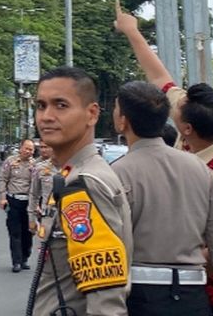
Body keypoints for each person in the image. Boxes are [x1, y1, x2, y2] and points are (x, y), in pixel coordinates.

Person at [115, 2, 213, 313]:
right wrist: (131, 31)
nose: (171, 101)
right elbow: (159, 77)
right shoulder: (204, 124)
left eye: (175, 107)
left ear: (186, 129)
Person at [112, 81, 213, 316]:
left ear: (123, 121)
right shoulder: (199, 169)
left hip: (140, 296)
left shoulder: (117, 173)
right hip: (193, 295)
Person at [29, 67, 132, 316]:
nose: (46, 116)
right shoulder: (70, 176)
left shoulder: (85, 184)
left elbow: (105, 299)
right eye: (41, 106)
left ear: (92, 114)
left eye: (61, 105)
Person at [0, 137, 36, 272]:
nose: (29, 151)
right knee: (15, 232)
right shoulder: (10, 162)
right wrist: (2, 198)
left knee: (28, 233)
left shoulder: (35, 165)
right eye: (26, 148)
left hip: (29, 203)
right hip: (13, 201)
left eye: (31, 149)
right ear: (21, 148)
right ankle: (16, 261)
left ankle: (25, 258)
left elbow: (38, 186)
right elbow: (3, 179)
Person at [28, 143, 56, 235]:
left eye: (47, 147)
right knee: (46, 246)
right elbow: (34, 194)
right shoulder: (40, 167)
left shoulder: (73, 167)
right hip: (48, 217)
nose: (44, 150)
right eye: (42, 147)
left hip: (70, 216)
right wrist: (32, 219)